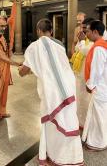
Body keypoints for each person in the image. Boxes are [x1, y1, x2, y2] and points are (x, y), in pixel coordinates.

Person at [19, 19, 83, 166]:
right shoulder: (59, 45)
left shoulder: (33, 47)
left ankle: (58, 157)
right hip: (68, 88)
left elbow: (24, 71)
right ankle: (72, 157)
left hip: (51, 92)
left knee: (52, 123)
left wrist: (23, 70)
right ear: (51, 32)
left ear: (38, 31)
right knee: (67, 119)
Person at [82, 20, 107, 151]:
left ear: (95, 32)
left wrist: (90, 85)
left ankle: (98, 143)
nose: (87, 34)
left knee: (99, 116)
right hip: (104, 86)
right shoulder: (103, 44)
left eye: (88, 31)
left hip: (100, 87)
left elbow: (97, 70)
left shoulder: (98, 48)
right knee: (102, 114)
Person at [70, 18, 94, 128]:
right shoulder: (84, 39)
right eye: (82, 27)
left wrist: (83, 41)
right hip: (78, 73)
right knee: (78, 99)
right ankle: (79, 121)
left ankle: (86, 123)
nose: (83, 30)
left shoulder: (94, 40)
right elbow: (77, 49)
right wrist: (80, 41)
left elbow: (87, 51)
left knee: (85, 100)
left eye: (85, 28)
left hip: (87, 75)